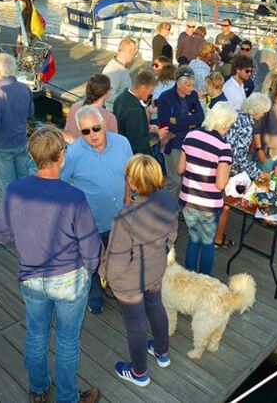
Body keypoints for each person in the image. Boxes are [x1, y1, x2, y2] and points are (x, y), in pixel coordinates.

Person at [0, 125, 101, 403]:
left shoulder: (15, 190)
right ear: (61, 156)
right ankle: (67, 398)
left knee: (36, 334)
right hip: (69, 280)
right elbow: (90, 247)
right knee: (66, 340)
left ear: (32, 155)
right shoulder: (74, 196)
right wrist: (90, 269)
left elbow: (1, 234)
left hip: (30, 278)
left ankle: (38, 390)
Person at [101, 154, 178, 388]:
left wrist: (104, 275)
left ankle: (139, 372)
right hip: (155, 270)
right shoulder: (168, 200)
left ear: (132, 183)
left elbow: (116, 261)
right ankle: (162, 353)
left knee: (135, 323)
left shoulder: (124, 218)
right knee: (156, 306)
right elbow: (171, 236)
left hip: (129, 282)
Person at [61, 105, 133, 314]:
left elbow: (129, 173)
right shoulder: (73, 153)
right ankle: (95, 291)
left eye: (95, 128)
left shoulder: (122, 143)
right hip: (90, 221)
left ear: (103, 124)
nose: (92, 134)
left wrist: (128, 198)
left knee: (118, 256)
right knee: (91, 260)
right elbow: (62, 185)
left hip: (119, 216)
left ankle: (114, 284)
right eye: (85, 131)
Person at [178, 102, 237, 275]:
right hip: (209, 204)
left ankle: (189, 279)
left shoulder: (191, 135)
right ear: (225, 123)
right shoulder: (224, 147)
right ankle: (204, 282)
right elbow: (220, 184)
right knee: (207, 243)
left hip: (188, 199)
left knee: (193, 240)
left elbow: (180, 169)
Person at [215, 93, 272, 248]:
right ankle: (217, 239)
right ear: (255, 110)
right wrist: (258, 173)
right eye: (263, 111)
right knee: (226, 206)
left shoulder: (238, 115)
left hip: (219, 163)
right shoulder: (246, 125)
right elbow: (239, 157)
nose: (264, 114)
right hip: (227, 169)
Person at [158, 66, 205, 198]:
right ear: (178, 84)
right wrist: (189, 123)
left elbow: (200, 118)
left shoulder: (193, 96)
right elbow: (165, 122)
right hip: (172, 143)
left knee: (185, 179)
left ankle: (178, 208)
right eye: (188, 85)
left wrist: (177, 121)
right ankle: (167, 210)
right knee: (175, 180)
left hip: (189, 143)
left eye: (192, 85)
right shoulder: (165, 97)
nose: (191, 88)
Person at [0, 53, 34, 189]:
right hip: (21, 141)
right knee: (24, 177)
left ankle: (13, 208)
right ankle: (28, 204)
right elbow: (30, 113)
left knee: (8, 183)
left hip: (3, 145)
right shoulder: (25, 89)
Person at [113, 70, 168, 155]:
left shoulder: (120, 98)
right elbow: (138, 143)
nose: (151, 94)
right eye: (151, 90)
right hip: (136, 158)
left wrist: (145, 127)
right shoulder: (134, 109)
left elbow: (127, 126)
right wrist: (158, 135)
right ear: (143, 87)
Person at [64, 74, 118, 142]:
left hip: (71, 150)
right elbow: (114, 145)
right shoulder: (110, 118)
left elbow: (66, 134)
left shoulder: (74, 107)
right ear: (107, 92)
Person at [102, 38, 137, 111]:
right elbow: (109, 96)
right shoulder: (113, 70)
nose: (134, 56)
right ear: (129, 52)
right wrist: (130, 98)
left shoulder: (121, 67)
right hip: (114, 113)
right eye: (134, 53)